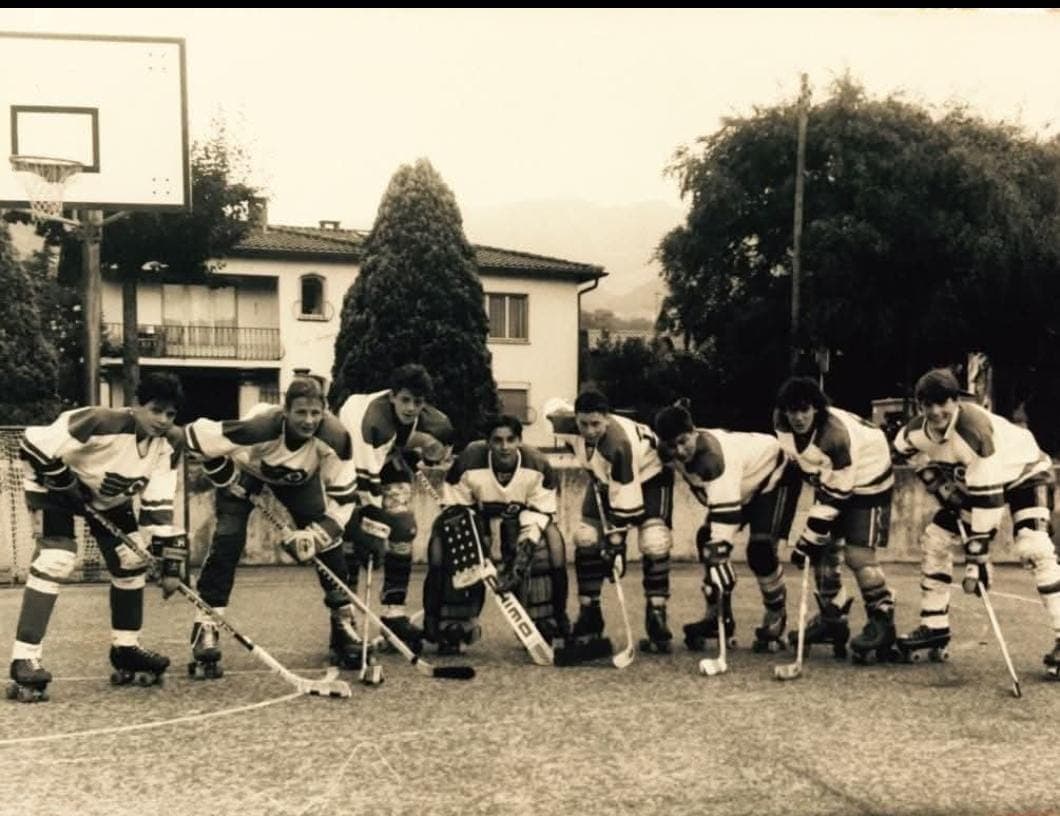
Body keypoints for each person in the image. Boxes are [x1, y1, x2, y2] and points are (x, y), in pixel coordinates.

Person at [8, 372, 185, 701]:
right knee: (56, 559)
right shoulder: (101, 420)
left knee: (132, 561)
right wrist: (63, 481)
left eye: (171, 414)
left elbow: (158, 505)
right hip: (54, 487)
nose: (163, 420)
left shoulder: (170, 444)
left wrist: (170, 561)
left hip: (107, 498)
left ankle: (126, 649)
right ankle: (24, 658)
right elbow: (33, 444)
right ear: (136, 405)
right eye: (156, 410)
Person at [184, 377, 359, 675]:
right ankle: (207, 625)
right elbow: (193, 437)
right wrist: (224, 475)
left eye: (315, 413)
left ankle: (343, 622)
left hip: (298, 482)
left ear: (325, 412)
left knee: (329, 546)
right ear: (285, 410)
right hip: (245, 474)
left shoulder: (336, 439)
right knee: (228, 539)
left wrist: (315, 536)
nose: (308, 420)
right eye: (300, 412)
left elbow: (343, 500)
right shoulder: (260, 426)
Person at [892, 368, 1060, 674]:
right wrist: (937, 483)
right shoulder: (913, 433)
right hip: (977, 483)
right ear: (920, 406)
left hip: (1025, 473)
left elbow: (989, 504)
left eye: (943, 403)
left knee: (1033, 548)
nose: (936, 411)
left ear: (956, 401)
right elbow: (904, 452)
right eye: (928, 405)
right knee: (935, 540)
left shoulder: (974, 432)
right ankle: (934, 625)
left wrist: (977, 560)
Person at [653, 402, 800, 653]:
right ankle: (718, 615)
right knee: (705, 539)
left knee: (760, 549)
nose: (679, 451)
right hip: (742, 484)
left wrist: (720, 555)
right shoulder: (668, 452)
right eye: (671, 445)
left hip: (775, 477)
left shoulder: (713, 458)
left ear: (694, 432)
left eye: (683, 441)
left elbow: (726, 519)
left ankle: (776, 614)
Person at [774, 377, 899, 663]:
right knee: (822, 550)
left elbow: (837, 496)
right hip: (833, 478)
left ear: (817, 409)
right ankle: (833, 616)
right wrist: (812, 540)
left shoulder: (835, 437)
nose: (798, 417)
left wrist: (807, 539)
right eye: (792, 410)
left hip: (870, 476)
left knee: (858, 554)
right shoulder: (781, 422)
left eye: (805, 410)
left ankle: (882, 619)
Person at [422, 414, 568, 654]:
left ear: (520, 441)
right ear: (488, 442)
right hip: (477, 518)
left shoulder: (538, 464)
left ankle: (544, 620)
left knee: (548, 545)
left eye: (511, 440)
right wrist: (480, 546)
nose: (504, 447)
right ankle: (453, 623)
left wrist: (519, 563)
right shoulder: (469, 459)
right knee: (448, 543)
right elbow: (457, 511)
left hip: (521, 522)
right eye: (497, 440)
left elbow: (538, 518)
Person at [546, 389, 675, 658]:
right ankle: (589, 613)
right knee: (586, 537)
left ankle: (656, 614)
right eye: (583, 424)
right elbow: (552, 406)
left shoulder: (617, 444)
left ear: (607, 419)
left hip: (650, 476)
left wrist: (615, 548)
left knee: (654, 541)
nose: (590, 431)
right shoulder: (565, 424)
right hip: (605, 480)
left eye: (596, 424)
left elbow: (624, 503)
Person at [337, 364, 454, 653]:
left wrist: (419, 452)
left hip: (384, 456)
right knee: (355, 536)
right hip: (347, 461)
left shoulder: (432, 420)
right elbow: (367, 492)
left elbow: (441, 449)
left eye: (418, 402)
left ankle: (393, 612)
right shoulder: (372, 422)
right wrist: (374, 531)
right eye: (405, 400)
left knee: (403, 526)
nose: (411, 408)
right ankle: (344, 620)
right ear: (392, 396)